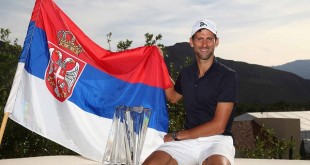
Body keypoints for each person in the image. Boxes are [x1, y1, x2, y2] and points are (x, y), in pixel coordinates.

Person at [142, 19, 238, 165]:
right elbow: (173, 96)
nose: (204, 44)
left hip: (217, 140)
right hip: (188, 141)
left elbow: (219, 125)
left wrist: (178, 135)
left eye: (209, 39)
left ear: (216, 42)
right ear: (192, 42)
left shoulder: (227, 76)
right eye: (200, 39)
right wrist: (159, 63)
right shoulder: (187, 74)